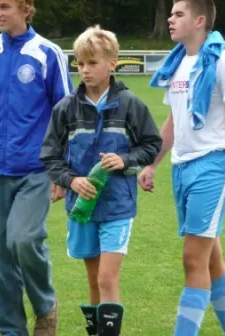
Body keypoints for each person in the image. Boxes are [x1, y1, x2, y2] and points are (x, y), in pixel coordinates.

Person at [138, 0, 225, 336]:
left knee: (193, 259)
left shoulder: (223, 62)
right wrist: (153, 163)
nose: (170, 20)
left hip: (214, 166)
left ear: (199, 21)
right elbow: (174, 120)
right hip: (182, 167)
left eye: (178, 14)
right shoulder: (178, 63)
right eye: (171, 14)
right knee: (211, 259)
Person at [0, 0, 73, 336]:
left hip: (36, 170)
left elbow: (65, 114)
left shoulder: (47, 53)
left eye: (5, 7)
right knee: (0, 254)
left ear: (26, 9)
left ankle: (45, 305)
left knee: (24, 239)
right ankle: (11, 330)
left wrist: (62, 171)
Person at [40, 25, 162, 336]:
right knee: (94, 279)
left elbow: (152, 144)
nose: (85, 70)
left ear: (112, 63)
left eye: (93, 63)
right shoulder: (65, 108)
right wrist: (70, 180)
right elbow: (50, 156)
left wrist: (126, 160)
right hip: (82, 208)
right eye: (80, 64)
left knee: (108, 279)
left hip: (118, 206)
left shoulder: (130, 104)